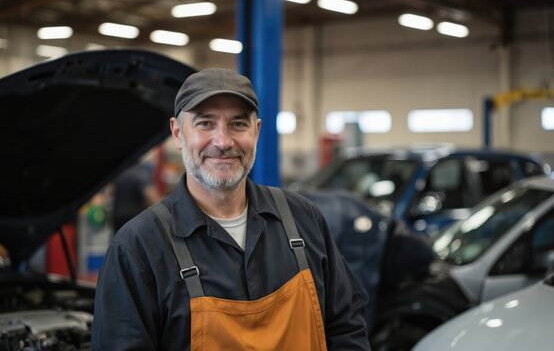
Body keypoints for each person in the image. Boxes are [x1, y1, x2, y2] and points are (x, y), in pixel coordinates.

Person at [92, 68, 370, 350]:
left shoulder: (303, 219)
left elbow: (347, 329)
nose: (223, 142)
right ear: (177, 133)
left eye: (238, 124)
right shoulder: (138, 249)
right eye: (205, 124)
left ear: (257, 131)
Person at [112, 160, 162, 232]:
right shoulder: (140, 173)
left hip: (117, 217)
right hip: (134, 218)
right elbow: (151, 195)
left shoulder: (119, 173)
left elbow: (111, 192)